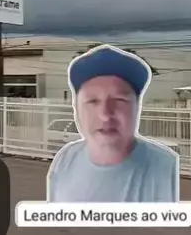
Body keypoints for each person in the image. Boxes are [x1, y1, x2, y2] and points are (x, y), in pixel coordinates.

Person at [47, 44, 179, 203]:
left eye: (119, 100)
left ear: (137, 107)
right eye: (92, 101)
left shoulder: (169, 168)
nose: (105, 115)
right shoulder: (65, 159)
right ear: (76, 108)